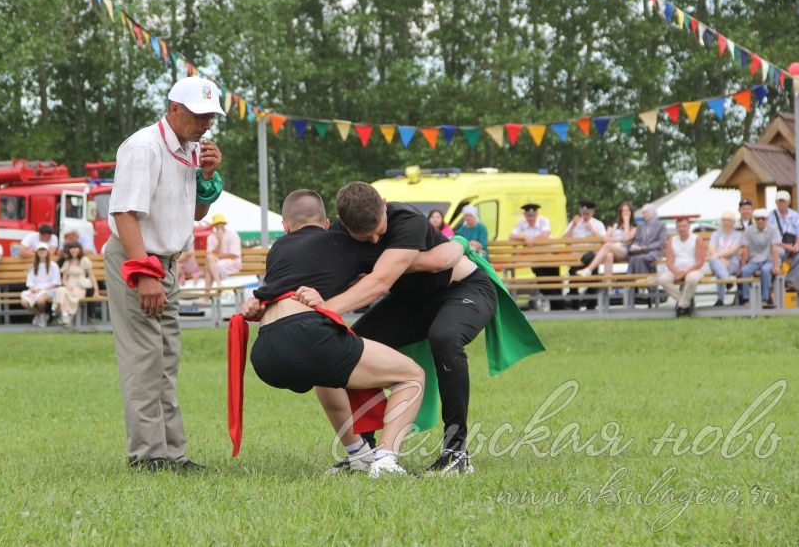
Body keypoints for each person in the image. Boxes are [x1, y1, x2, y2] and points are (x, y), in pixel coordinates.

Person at [298, 182, 502, 474]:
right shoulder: (340, 235)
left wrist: (325, 310)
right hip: (412, 302)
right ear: (344, 224)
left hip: (463, 289)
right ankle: (365, 453)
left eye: (379, 231)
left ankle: (456, 452)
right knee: (350, 346)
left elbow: (379, 283)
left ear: (383, 204)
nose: (374, 240)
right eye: (365, 238)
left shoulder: (408, 221)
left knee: (444, 338)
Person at [241, 190, 438, 476]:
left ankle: (358, 454)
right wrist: (458, 247)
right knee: (412, 376)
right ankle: (385, 460)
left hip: (265, 351)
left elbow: (268, 296)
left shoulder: (278, 249)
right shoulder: (344, 241)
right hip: (307, 334)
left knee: (328, 376)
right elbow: (425, 262)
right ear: (327, 223)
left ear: (285, 226)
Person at [103, 75, 224, 473]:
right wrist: (144, 273)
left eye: (211, 116)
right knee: (145, 360)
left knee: (166, 360)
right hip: (140, 261)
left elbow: (196, 214)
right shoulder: (143, 148)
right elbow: (124, 213)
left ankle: (173, 454)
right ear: (174, 109)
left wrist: (207, 177)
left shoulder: (189, 148)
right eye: (199, 115)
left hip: (167, 263)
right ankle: (148, 456)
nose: (206, 123)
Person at [510, 203, 562, 310]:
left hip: (550, 256)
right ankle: (561, 305)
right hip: (536, 259)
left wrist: (532, 240)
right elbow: (511, 236)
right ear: (525, 215)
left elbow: (545, 235)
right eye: (529, 216)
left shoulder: (544, 220)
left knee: (555, 282)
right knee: (543, 283)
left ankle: (559, 306)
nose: (531, 218)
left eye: (533, 215)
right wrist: (524, 238)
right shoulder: (522, 223)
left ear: (537, 214)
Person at [656, 218, 706, 317]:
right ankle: (685, 302)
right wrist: (676, 271)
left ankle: (682, 306)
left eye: (684, 226)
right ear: (676, 228)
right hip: (676, 269)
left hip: (693, 269)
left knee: (692, 279)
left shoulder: (697, 239)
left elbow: (700, 261)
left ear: (689, 227)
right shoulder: (671, 241)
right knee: (662, 279)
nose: (682, 229)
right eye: (679, 226)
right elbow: (669, 262)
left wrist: (686, 271)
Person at [563, 200, 606, 309]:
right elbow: (565, 240)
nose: (585, 214)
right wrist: (573, 225)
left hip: (591, 259)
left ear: (592, 212)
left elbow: (603, 241)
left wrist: (592, 229)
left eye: (587, 212)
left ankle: (591, 303)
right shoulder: (575, 224)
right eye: (583, 212)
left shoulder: (597, 224)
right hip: (576, 258)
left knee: (591, 258)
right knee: (576, 273)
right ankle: (575, 303)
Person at [577, 201, 637, 276]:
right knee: (609, 255)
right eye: (623, 210)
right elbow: (605, 239)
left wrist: (627, 222)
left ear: (631, 212)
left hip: (625, 251)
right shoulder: (614, 225)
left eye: (627, 210)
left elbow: (627, 238)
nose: (625, 213)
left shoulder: (634, 226)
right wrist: (619, 239)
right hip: (613, 248)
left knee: (608, 245)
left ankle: (589, 269)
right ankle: (608, 285)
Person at [739, 209, 782, 308]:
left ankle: (765, 299)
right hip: (754, 260)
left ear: (767, 219)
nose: (760, 221)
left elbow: (775, 249)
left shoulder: (773, 229)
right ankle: (746, 298)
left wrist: (776, 266)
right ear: (755, 219)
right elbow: (745, 250)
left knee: (765, 270)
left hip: (769, 260)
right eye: (758, 219)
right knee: (745, 271)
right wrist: (742, 266)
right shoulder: (749, 230)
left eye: (763, 218)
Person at [768, 190, 799, 293]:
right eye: (780, 201)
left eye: (784, 201)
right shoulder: (770, 216)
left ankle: (788, 280)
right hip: (778, 245)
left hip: (793, 245)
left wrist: (797, 245)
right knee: (779, 252)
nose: (782, 203)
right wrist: (786, 246)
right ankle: (775, 281)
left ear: (788, 202)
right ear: (776, 202)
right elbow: (771, 238)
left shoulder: (795, 215)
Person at [53, 242, 98, 328]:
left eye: (76, 247)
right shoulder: (67, 263)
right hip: (69, 286)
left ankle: (68, 317)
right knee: (60, 291)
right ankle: (65, 315)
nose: (74, 250)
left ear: (79, 249)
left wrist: (96, 291)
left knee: (66, 295)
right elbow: (64, 279)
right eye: (72, 248)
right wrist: (67, 285)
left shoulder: (84, 260)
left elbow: (92, 277)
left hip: (80, 287)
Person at [199, 214, 242, 302]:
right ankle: (219, 284)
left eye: (221, 223)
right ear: (214, 225)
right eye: (217, 224)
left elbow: (234, 255)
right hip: (217, 263)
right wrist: (219, 242)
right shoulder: (211, 237)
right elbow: (210, 255)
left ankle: (206, 296)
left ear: (224, 224)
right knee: (210, 261)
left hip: (232, 263)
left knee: (209, 266)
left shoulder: (232, 235)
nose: (219, 226)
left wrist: (218, 256)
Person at [20, 242, 61, 327]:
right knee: (24, 302)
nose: (42, 252)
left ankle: (42, 316)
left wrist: (43, 289)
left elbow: (56, 282)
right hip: (36, 290)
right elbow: (30, 281)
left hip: (50, 290)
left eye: (44, 250)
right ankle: (40, 315)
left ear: (47, 252)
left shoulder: (53, 265)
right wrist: (33, 288)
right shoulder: (33, 266)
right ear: (37, 253)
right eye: (40, 250)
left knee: (40, 301)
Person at [707, 211, 743, 306]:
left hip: (732, 264)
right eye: (724, 220)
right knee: (715, 262)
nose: (726, 222)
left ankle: (720, 300)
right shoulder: (715, 234)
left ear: (733, 222)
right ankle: (727, 280)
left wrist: (719, 257)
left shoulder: (737, 235)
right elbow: (711, 249)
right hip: (717, 263)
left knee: (719, 271)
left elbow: (732, 251)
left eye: (729, 220)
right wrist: (721, 260)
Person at [626, 204, 667, 275]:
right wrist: (635, 246)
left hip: (655, 251)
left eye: (645, 212)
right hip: (642, 251)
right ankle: (633, 282)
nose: (643, 214)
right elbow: (638, 240)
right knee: (633, 258)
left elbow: (661, 241)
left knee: (641, 258)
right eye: (643, 212)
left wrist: (648, 247)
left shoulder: (661, 225)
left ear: (652, 212)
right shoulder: (641, 226)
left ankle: (643, 282)